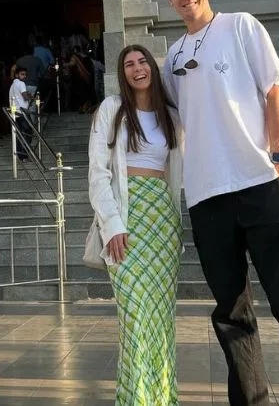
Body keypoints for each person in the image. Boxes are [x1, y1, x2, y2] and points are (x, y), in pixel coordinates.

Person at [162, 0, 279, 405]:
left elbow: (277, 89)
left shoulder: (241, 27)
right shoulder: (172, 57)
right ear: (170, 1)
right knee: (232, 316)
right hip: (206, 198)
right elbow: (171, 125)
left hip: (259, 182)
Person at [89, 44, 183, 405]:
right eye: (128, 64)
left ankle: (162, 399)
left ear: (152, 69)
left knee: (160, 323)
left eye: (142, 61)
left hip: (163, 223)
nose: (137, 68)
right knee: (135, 320)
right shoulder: (111, 109)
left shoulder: (170, 117)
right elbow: (98, 172)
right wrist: (111, 223)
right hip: (126, 220)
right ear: (122, 73)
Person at [9, 67, 33, 161]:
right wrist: (30, 97)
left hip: (15, 112)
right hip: (22, 112)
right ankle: (24, 154)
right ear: (17, 75)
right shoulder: (21, 83)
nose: (24, 76)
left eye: (25, 74)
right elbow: (25, 97)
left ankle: (20, 155)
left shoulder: (13, 85)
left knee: (19, 134)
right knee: (28, 133)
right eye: (22, 74)